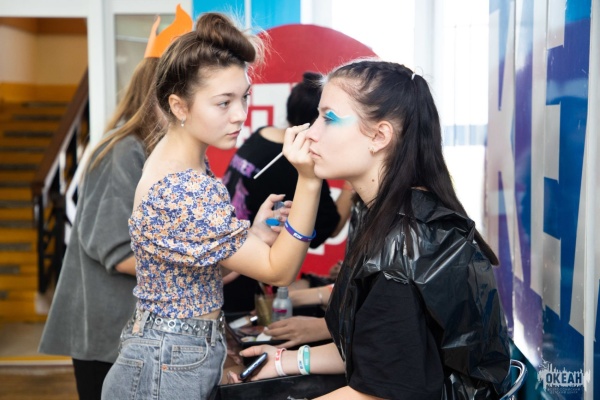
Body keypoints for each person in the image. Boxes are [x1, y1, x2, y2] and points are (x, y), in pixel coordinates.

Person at [232, 59, 511, 399]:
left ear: (379, 136)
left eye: (329, 119)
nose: (310, 133)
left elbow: (381, 390)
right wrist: (284, 360)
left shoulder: (406, 243)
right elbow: (378, 353)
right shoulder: (382, 215)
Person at [100, 12, 322, 400]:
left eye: (244, 97)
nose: (240, 114)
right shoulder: (182, 188)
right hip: (166, 365)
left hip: (170, 353)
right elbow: (281, 270)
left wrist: (251, 236)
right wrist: (308, 178)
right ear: (179, 106)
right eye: (223, 103)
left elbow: (197, 274)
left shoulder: (183, 162)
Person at [38, 9, 191, 400]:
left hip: (137, 333)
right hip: (109, 338)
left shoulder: (160, 154)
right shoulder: (124, 151)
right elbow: (119, 252)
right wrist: (204, 270)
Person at [221, 71, 353, 313]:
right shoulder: (296, 164)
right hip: (244, 287)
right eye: (328, 118)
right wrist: (351, 183)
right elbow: (330, 227)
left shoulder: (261, 135)